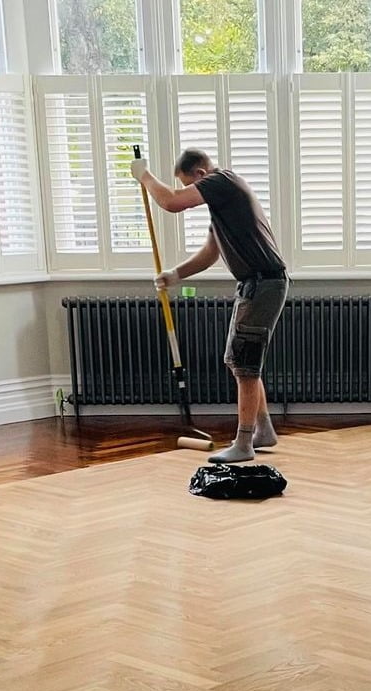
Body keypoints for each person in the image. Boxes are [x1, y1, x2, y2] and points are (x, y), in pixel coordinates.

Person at [131, 149, 287, 464]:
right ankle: (263, 430)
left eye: (191, 185)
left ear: (201, 175)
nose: (192, 194)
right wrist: (174, 274)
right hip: (255, 284)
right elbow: (209, 253)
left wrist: (143, 175)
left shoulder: (222, 180)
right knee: (239, 360)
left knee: (244, 364)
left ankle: (243, 444)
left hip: (263, 283)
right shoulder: (223, 206)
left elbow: (172, 201)